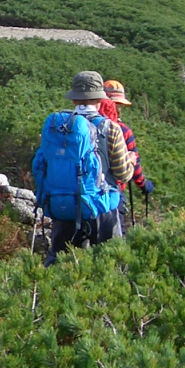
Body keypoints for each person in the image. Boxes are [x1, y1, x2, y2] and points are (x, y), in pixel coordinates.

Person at [43, 71, 133, 264]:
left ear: (74, 99)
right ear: (100, 100)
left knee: (60, 262)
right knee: (110, 263)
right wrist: (131, 161)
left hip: (63, 205)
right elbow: (123, 174)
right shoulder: (111, 128)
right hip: (101, 207)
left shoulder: (57, 126)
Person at [103, 79, 155, 230]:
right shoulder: (123, 131)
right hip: (114, 192)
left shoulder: (83, 123)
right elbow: (134, 164)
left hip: (84, 191)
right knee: (116, 241)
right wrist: (144, 185)